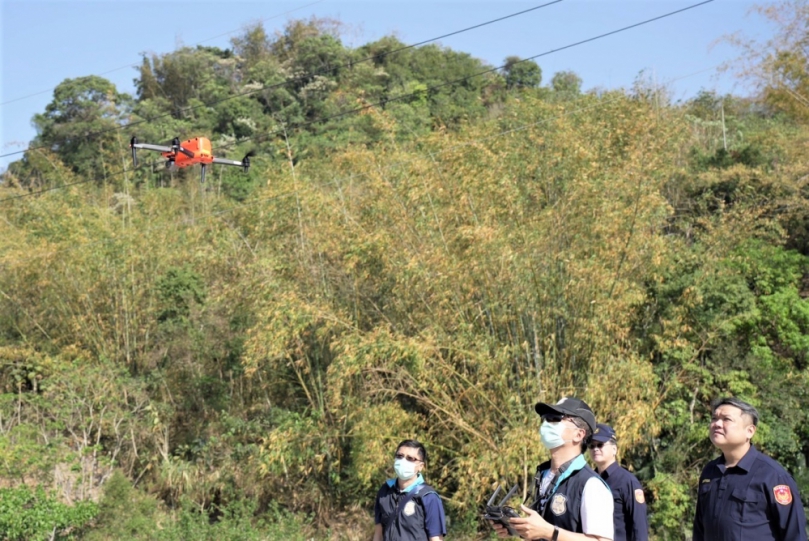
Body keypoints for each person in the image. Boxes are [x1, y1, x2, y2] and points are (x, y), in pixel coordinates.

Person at [491, 396, 614, 541]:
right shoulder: (543, 475)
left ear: (579, 434)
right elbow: (543, 528)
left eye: (555, 418)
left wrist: (550, 532)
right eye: (545, 418)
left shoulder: (591, 485)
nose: (546, 424)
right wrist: (519, 529)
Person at [692, 397, 808, 541]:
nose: (717, 424)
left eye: (726, 419)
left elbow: (795, 534)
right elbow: (699, 530)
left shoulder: (772, 476)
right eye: (714, 418)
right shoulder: (710, 471)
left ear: (750, 431)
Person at [374, 439, 446, 541]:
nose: (403, 461)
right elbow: (378, 534)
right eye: (400, 456)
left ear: (421, 466)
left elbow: (436, 538)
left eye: (410, 458)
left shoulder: (428, 496)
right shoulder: (384, 491)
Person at [588, 424, 648, 541]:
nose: (595, 449)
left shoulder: (627, 481)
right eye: (591, 445)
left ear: (614, 449)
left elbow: (639, 526)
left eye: (600, 445)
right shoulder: (589, 480)